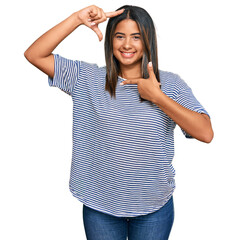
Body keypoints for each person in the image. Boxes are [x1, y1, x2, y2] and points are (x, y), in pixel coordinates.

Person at [24, 5, 214, 240]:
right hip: (99, 205)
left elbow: (205, 133)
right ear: (110, 40)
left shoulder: (170, 84)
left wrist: (157, 97)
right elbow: (35, 54)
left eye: (136, 37)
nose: (127, 45)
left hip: (154, 206)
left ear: (148, 40)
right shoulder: (86, 78)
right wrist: (77, 19)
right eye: (119, 36)